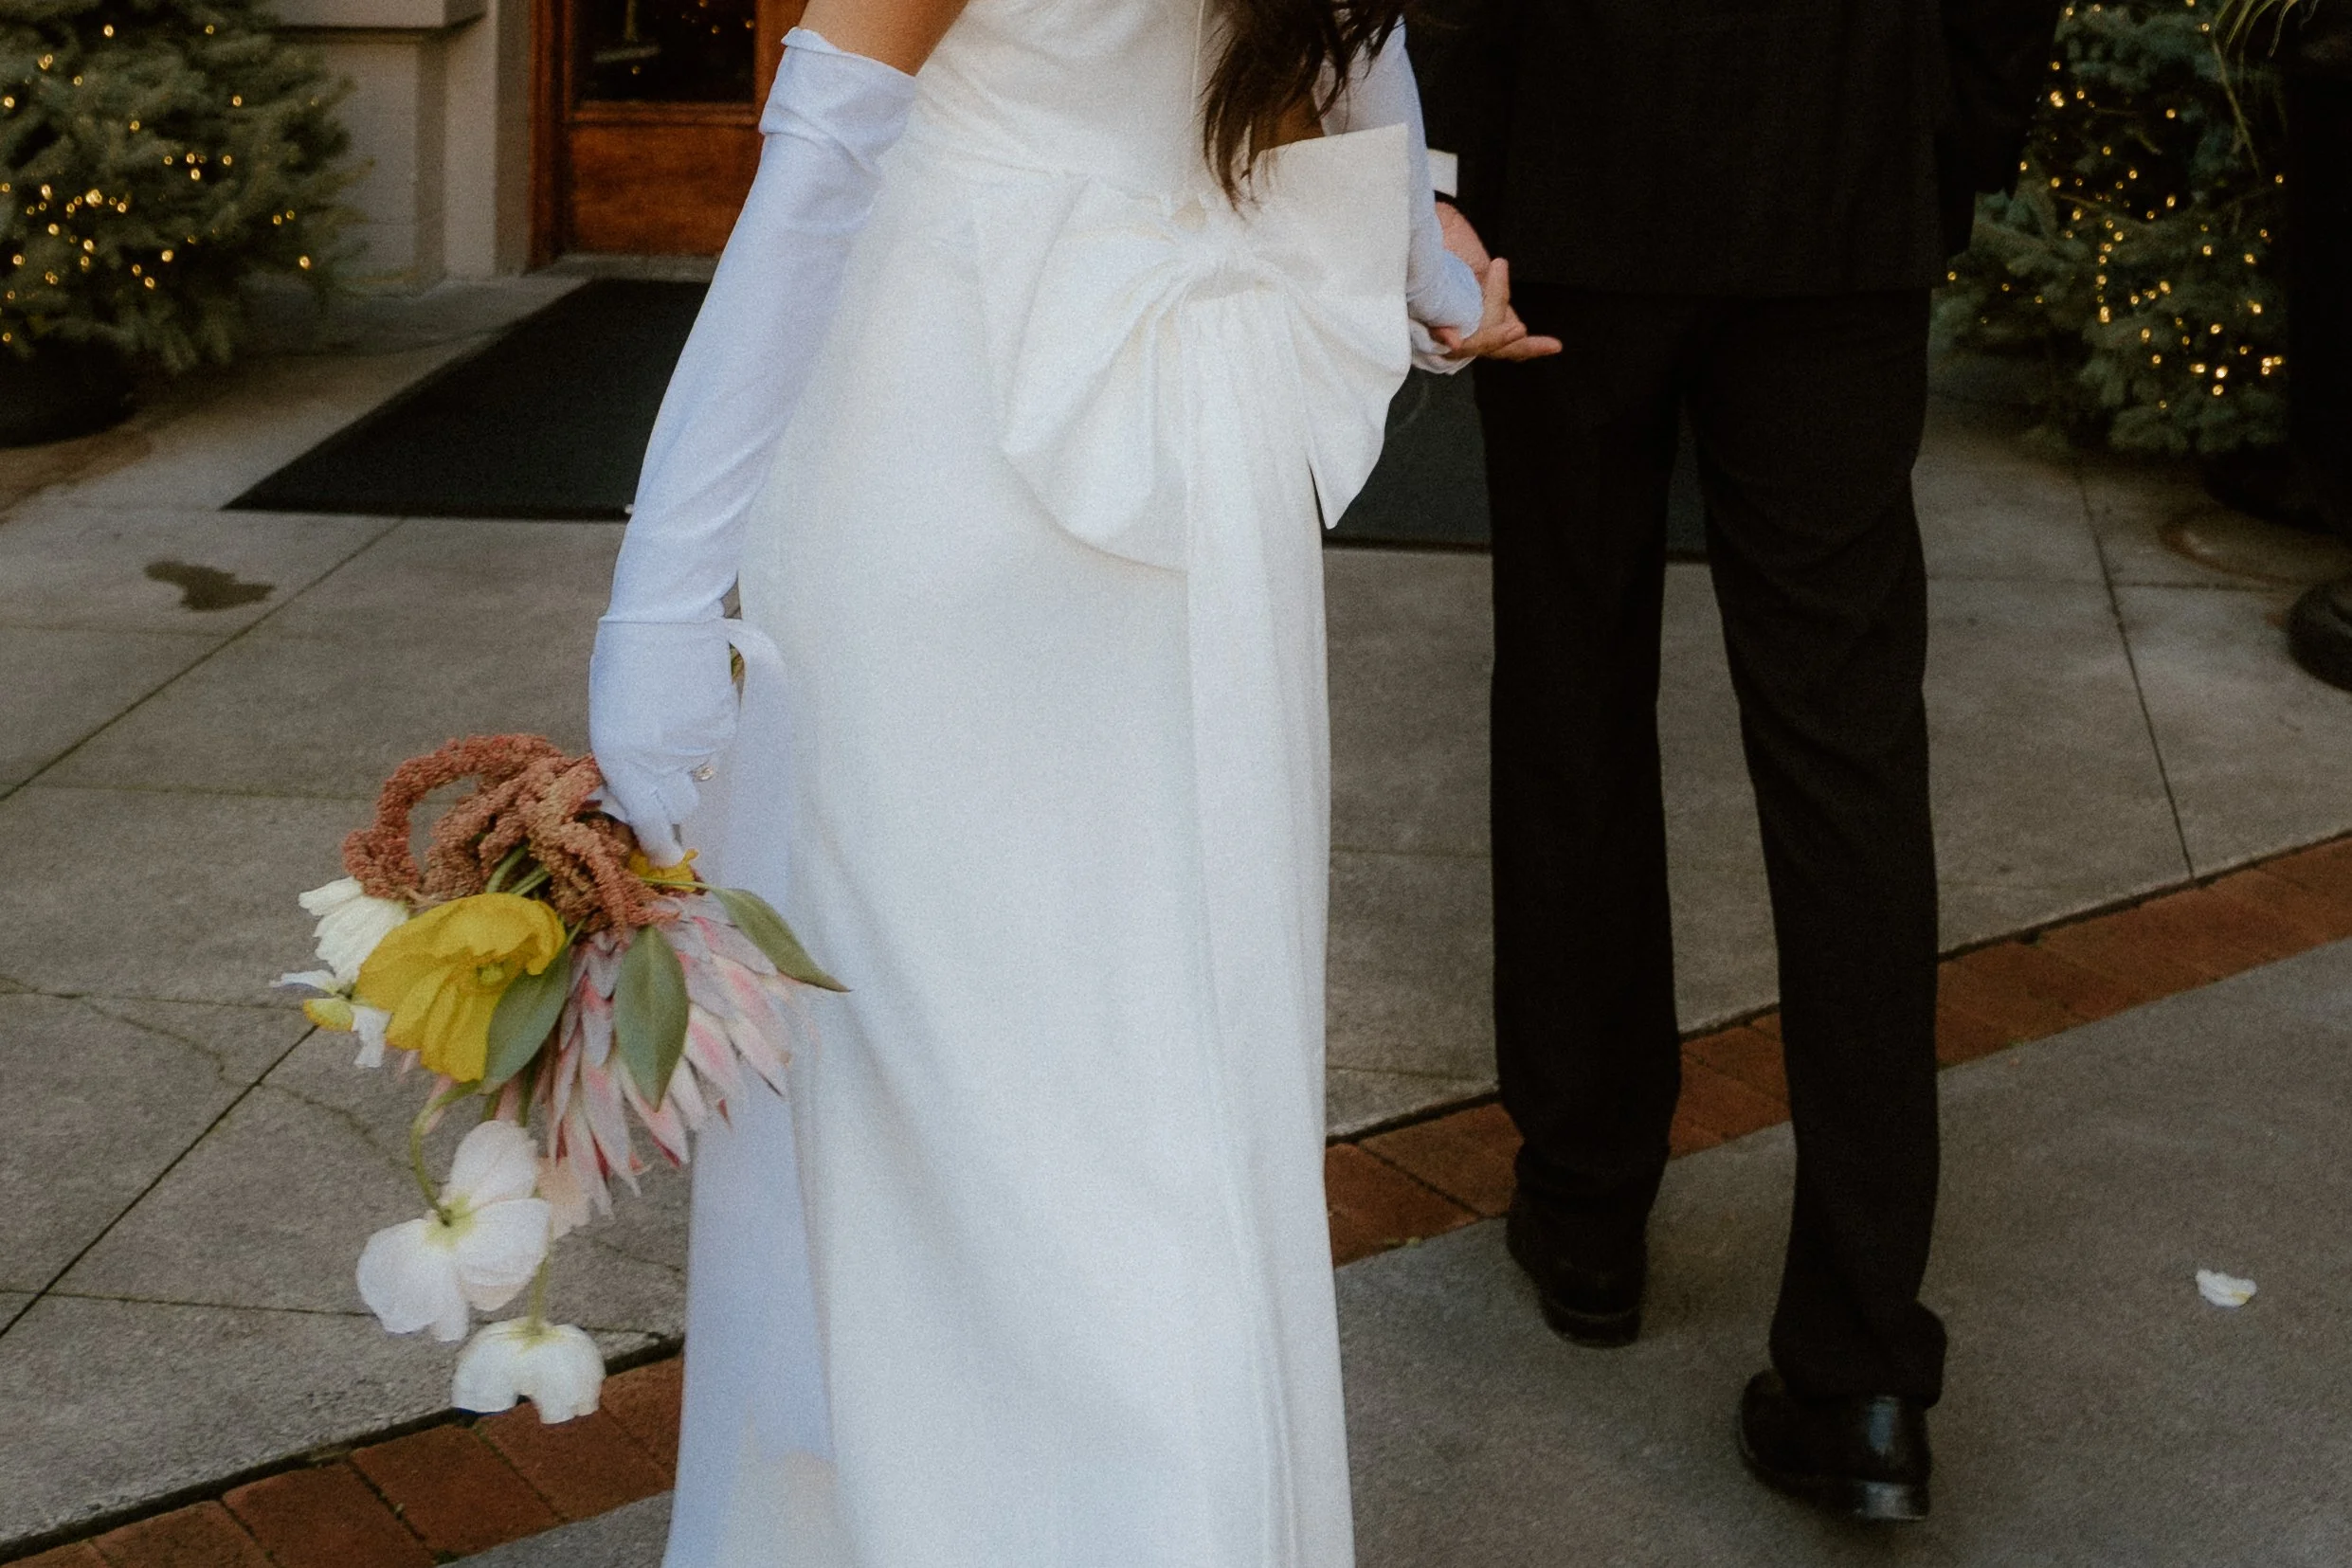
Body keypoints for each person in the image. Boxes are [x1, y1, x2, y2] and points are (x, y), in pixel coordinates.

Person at [583, 0, 1549, 1561]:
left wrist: (658, 598)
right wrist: (1432, 268)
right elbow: (1351, 74)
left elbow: (814, 179)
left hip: (949, 440)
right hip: (1194, 472)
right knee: (1160, 1082)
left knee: (925, 1085)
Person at [1416, 0, 2060, 1523]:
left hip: (1576, 161)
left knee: (1570, 682)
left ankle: (1584, 1206)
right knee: (1846, 752)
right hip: (1836, 170)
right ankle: (1860, 1370)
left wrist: (1442, 169)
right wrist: (1954, 128)